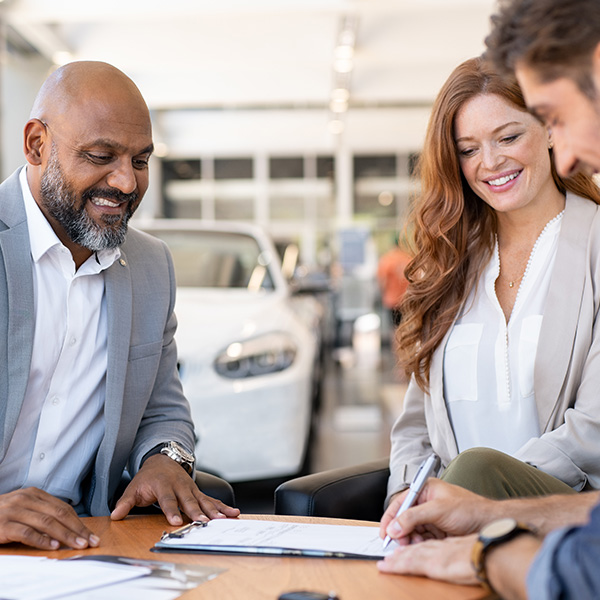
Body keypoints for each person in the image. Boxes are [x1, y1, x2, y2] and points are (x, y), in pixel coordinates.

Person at [378, 1, 600, 598]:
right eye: (469, 148)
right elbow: (415, 424)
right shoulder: (453, 258)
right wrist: (410, 491)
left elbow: (595, 430)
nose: (490, 163)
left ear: (548, 127)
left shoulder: (596, 244)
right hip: (449, 518)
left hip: (563, 511)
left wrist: (472, 494)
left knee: (475, 464)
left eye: (508, 136)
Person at [0, 61, 239, 552]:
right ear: (36, 145)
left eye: (141, 161)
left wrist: (165, 460)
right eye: (101, 156)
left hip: (89, 546)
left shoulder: (150, 266)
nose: (127, 184)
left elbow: (164, 409)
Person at [376, 234, 411, 329]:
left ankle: (396, 344)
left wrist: (382, 294)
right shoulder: (409, 258)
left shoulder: (387, 259)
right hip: (407, 299)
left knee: (394, 329)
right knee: (406, 328)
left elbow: (382, 281)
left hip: (392, 300)